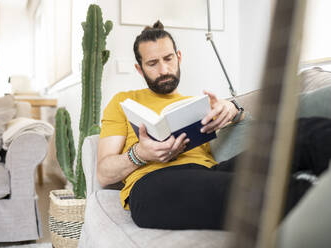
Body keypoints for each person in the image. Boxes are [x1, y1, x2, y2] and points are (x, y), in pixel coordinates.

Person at [96, 21, 331, 230]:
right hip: (152, 184)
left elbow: (249, 128)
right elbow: (104, 174)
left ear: (179, 56)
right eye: (152, 63)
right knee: (249, 191)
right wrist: (140, 154)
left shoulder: (195, 104)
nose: (164, 70)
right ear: (139, 69)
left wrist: (233, 110)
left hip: (209, 172)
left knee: (303, 131)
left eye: (168, 59)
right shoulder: (123, 102)